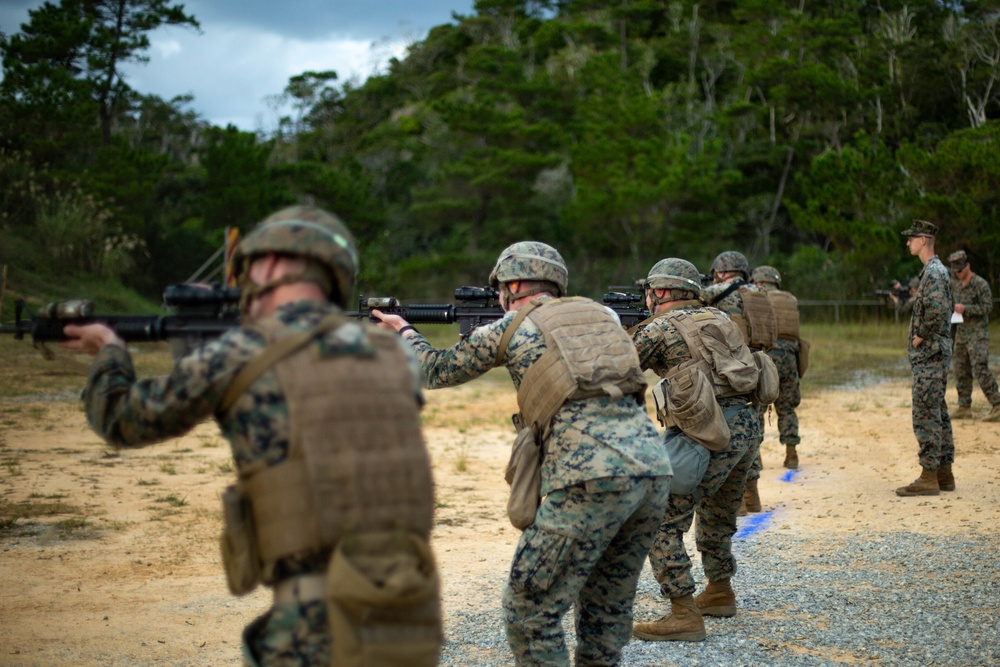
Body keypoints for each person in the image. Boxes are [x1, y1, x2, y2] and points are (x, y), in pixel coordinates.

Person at [62, 205, 442, 667]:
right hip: (409, 619)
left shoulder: (240, 354)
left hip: (316, 631)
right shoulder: (392, 356)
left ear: (272, 265)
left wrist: (110, 352)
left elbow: (120, 419)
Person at [373, 241, 672, 667]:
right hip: (654, 472)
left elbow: (434, 369)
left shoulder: (512, 325)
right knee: (605, 610)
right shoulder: (603, 317)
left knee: (530, 611)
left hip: (590, 478)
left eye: (500, 288)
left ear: (513, 284)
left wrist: (403, 332)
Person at [629, 258, 763, 642]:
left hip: (706, 432)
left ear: (663, 292)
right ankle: (719, 590)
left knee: (657, 516)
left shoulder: (660, 326)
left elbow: (617, 366)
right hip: (746, 429)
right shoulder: (719, 318)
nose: (650, 298)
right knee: (717, 512)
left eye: (653, 291)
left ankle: (683, 612)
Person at [702, 250, 776, 513]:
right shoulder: (760, 294)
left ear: (721, 272)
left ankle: (737, 503)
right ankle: (752, 496)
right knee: (753, 432)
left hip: (732, 370)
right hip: (760, 367)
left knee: (731, 434)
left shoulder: (717, 291)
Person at [891, 219, 955, 496]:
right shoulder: (932, 271)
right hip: (933, 353)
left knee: (926, 413)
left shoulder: (934, 272)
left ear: (923, 240)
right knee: (937, 411)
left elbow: (939, 309)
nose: (908, 243)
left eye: (911, 238)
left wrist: (922, 334)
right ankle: (944, 473)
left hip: (931, 353)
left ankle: (929, 476)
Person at [751, 265, 803, 468]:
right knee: (787, 406)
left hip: (767, 357)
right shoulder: (790, 299)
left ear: (759, 282)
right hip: (790, 358)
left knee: (758, 407)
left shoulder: (755, 297)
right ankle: (791, 454)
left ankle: (756, 457)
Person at [947, 249, 1000, 422]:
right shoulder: (957, 286)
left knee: (980, 368)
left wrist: (966, 309)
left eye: (960, 270)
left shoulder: (980, 284)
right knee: (960, 368)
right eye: (956, 271)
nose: (958, 273)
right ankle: (964, 406)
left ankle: (997, 404)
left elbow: (987, 308)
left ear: (968, 266)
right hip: (962, 334)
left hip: (977, 334)